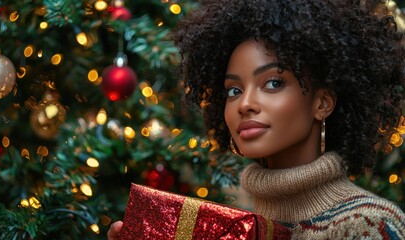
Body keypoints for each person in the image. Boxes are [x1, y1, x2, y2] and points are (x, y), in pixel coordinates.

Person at [108, 0, 405, 238]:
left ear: (322, 103)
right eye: (234, 90)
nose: (245, 104)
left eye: (273, 83)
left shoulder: (369, 225)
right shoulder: (229, 228)